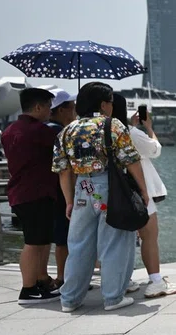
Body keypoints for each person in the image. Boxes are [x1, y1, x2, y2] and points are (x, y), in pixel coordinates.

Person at [52, 82, 148, 312]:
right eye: (111, 102)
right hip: (108, 188)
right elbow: (131, 160)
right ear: (104, 104)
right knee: (115, 241)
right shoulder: (112, 125)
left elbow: (63, 171)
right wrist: (143, 191)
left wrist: (68, 201)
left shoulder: (66, 130)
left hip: (82, 189)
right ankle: (113, 297)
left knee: (79, 245)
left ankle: (70, 299)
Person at [112, 95, 176, 298]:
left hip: (111, 190)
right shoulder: (130, 133)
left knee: (119, 238)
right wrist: (148, 128)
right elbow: (154, 149)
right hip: (136, 190)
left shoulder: (100, 131)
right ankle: (156, 281)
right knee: (149, 235)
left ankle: (123, 280)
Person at [2, 87, 62, 304]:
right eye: (48, 106)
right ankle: (28, 289)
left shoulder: (10, 131)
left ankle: (40, 281)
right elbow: (63, 146)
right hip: (37, 192)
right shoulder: (40, 131)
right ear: (38, 106)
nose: (50, 112)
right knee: (33, 242)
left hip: (19, 192)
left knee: (41, 240)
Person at [45, 89, 78, 291]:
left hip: (53, 192)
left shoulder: (50, 129)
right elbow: (65, 169)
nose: (75, 112)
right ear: (62, 110)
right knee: (65, 239)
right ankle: (64, 278)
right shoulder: (58, 132)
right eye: (72, 108)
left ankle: (64, 276)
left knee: (63, 238)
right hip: (62, 194)